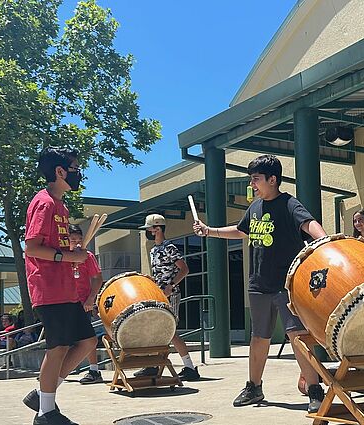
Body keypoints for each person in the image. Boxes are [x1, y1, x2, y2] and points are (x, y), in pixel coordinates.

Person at [193, 154, 327, 413]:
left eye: (255, 179)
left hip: (287, 285)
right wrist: (210, 231)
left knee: (298, 337)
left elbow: (309, 224)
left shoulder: (289, 203)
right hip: (258, 285)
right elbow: (242, 230)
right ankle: (254, 387)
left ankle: (314, 390)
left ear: (272, 179)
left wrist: (325, 243)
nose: (252, 184)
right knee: (259, 338)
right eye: (252, 179)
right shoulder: (254, 207)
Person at [21, 147, 97, 425]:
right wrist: (68, 256)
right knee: (58, 347)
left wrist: (72, 259)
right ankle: (46, 413)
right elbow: (31, 248)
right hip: (48, 287)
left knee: (88, 341)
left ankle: (43, 396)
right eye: (75, 168)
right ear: (60, 171)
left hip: (65, 288)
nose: (78, 173)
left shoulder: (61, 205)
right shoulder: (44, 203)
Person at [133, 214, 200, 381]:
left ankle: (189, 367)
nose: (147, 232)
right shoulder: (154, 250)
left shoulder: (170, 248)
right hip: (158, 295)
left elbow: (184, 269)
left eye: (149, 229)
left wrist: (171, 286)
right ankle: (153, 366)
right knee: (156, 330)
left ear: (157, 229)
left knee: (170, 331)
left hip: (171, 295)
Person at [66, 225, 105, 384]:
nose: (76, 243)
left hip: (83, 302)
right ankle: (56, 370)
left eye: (79, 240)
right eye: (72, 240)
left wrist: (91, 299)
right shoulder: (61, 255)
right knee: (62, 338)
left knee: (87, 337)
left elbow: (97, 278)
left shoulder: (87, 256)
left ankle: (94, 370)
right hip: (63, 301)